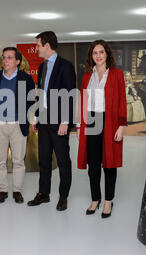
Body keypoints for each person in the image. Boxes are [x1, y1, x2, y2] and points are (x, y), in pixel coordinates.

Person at [77, 40, 127, 218]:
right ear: (91, 56)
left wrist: (121, 126)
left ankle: (108, 201)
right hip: (91, 121)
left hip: (110, 121)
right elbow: (82, 102)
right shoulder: (86, 77)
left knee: (109, 163)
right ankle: (95, 199)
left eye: (101, 52)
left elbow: (122, 100)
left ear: (107, 54)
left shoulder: (116, 74)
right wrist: (78, 125)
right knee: (93, 164)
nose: (98, 56)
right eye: (94, 53)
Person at [27, 31, 76, 211]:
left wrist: (65, 121)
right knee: (44, 159)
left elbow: (70, 96)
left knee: (63, 160)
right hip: (45, 119)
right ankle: (44, 193)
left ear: (47, 45)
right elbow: (42, 95)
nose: (36, 49)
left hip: (59, 121)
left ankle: (63, 196)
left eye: (38, 45)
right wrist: (37, 117)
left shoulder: (66, 66)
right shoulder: (42, 67)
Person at [0, 47, 35, 204]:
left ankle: (17, 191)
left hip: (18, 125)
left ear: (18, 61)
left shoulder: (26, 79)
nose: (5, 60)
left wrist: (32, 120)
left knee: (18, 161)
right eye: (4, 57)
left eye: (9, 57)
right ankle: (3, 190)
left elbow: (30, 103)